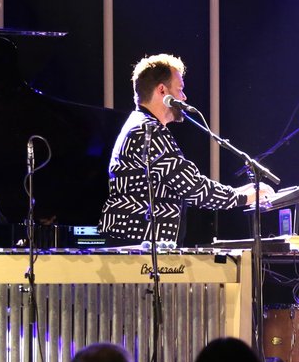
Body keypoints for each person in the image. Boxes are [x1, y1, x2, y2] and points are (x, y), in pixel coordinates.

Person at [100, 53, 272, 245]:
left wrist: (238, 191)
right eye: (180, 89)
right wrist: (242, 197)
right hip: (138, 247)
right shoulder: (148, 130)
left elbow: (180, 186)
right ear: (162, 91)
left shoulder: (142, 125)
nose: (184, 97)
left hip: (140, 243)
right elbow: (192, 187)